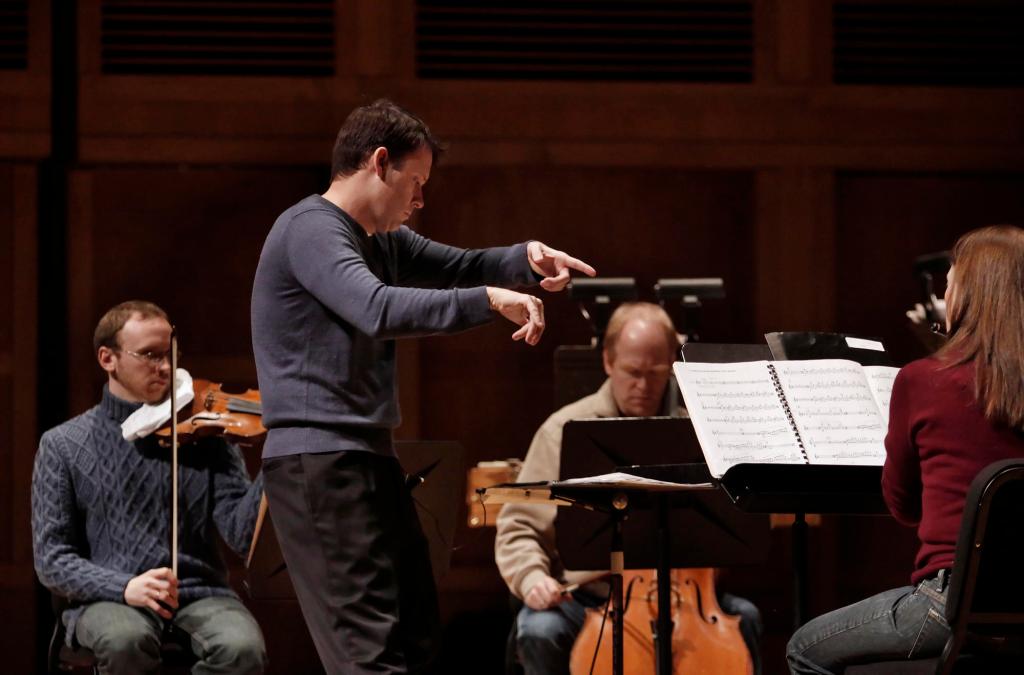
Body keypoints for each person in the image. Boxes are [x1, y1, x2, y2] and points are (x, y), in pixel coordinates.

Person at [250, 98, 595, 674]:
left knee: (414, 637)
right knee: (369, 655)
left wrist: (524, 259)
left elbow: (458, 266)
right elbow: (377, 308)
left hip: (365, 454)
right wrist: (490, 300)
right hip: (317, 461)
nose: (420, 199)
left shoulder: (378, 239)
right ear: (379, 163)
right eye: (415, 182)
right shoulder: (310, 229)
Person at [786, 224, 1024, 674]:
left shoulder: (923, 380)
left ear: (969, 296)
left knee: (804, 646)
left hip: (949, 606)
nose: (943, 298)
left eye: (950, 284)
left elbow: (903, 503)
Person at [495, 302, 763, 675]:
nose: (643, 386)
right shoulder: (564, 429)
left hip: (683, 596)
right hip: (590, 597)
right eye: (632, 372)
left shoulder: (699, 429)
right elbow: (519, 526)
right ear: (607, 361)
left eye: (655, 373)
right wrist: (531, 577)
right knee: (540, 631)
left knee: (746, 618)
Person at [32, 300, 267, 675]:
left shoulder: (206, 435)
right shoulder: (63, 445)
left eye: (170, 354)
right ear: (107, 359)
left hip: (200, 594)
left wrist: (279, 455)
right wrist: (124, 586)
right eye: (149, 355)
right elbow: (52, 559)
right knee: (125, 641)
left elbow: (242, 536)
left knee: (242, 648)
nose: (166, 368)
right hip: (108, 597)